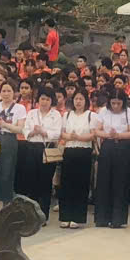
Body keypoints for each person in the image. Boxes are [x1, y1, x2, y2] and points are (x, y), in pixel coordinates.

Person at [93, 92, 130, 228]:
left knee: (120, 182)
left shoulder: (129, 112)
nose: (116, 106)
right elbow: (96, 130)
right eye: (113, 103)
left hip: (122, 146)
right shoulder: (103, 111)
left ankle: (118, 219)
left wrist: (119, 135)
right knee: (104, 181)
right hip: (107, 145)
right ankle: (102, 218)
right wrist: (108, 134)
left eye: (119, 103)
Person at [19, 89, 63, 222]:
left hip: (47, 148)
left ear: (51, 101)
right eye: (42, 99)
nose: (44, 102)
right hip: (32, 147)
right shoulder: (32, 113)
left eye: (47, 99)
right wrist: (33, 132)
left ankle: (43, 215)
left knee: (45, 182)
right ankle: (31, 215)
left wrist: (43, 131)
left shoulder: (56, 115)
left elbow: (57, 133)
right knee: (31, 181)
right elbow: (25, 129)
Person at [0, 82, 26, 218]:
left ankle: (6, 208)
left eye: (9, 91)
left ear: (14, 93)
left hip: (9, 141)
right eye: (4, 91)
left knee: (7, 174)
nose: (6, 94)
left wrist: (5, 125)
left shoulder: (19, 108)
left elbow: (20, 129)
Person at [58, 90, 96, 229]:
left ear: (86, 101)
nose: (78, 102)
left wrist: (79, 137)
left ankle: (77, 217)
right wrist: (70, 137)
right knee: (66, 183)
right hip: (69, 150)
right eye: (76, 99)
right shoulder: (67, 115)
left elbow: (93, 135)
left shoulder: (91, 115)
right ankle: (65, 216)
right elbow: (62, 133)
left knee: (81, 184)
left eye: (81, 99)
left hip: (84, 151)